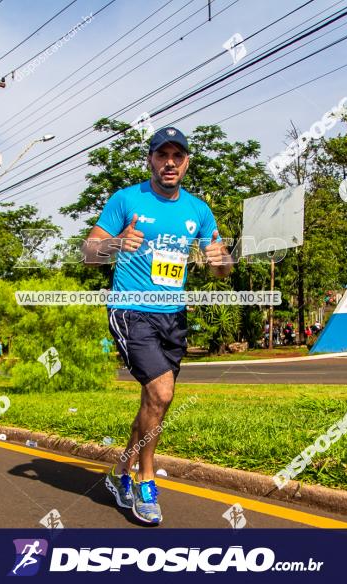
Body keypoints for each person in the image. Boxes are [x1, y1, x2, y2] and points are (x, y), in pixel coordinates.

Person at [82, 127, 233, 525]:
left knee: (156, 401)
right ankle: (146, 481)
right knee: (162, 391)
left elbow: (221, 271)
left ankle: (119, 475)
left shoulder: (198, 210)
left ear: (186, 162)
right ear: (150, 159)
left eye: (177, 156)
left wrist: (220, 258)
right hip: (131, 309)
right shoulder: (126, 199)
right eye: (162, 155)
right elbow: (88, 254)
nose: (170, 162)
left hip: (173, 315)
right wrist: (115, 244)